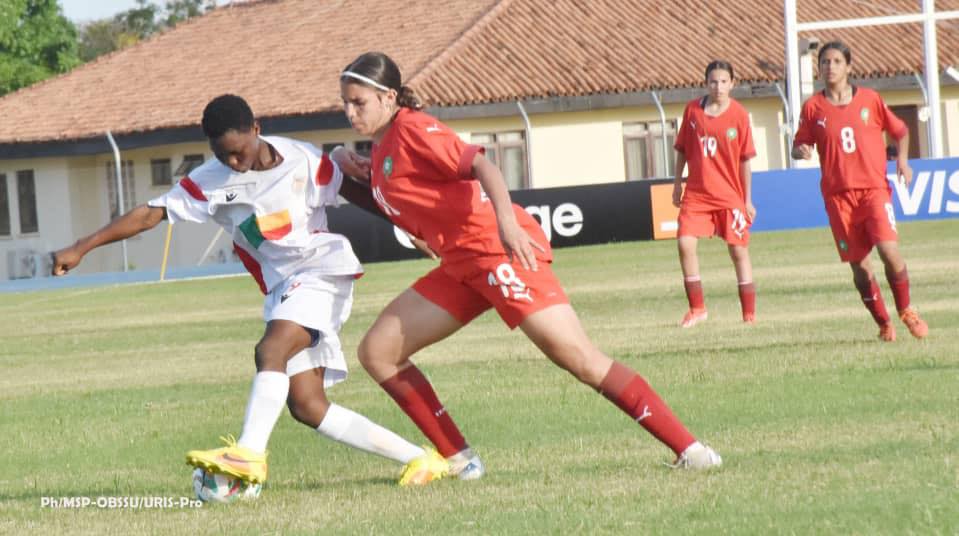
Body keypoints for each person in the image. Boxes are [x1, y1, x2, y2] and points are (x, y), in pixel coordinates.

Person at [334, 52, 723, 486]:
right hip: (462, 265)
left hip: (497, 253)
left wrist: (506, 226)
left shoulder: (413, 129)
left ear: (389, 97)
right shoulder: (384, 144)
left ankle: (692, 450)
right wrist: (352, 174)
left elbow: (482, 164)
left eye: (359, 102)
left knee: (580, 360)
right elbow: (402, 200)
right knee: (379, 352)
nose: (351, 113)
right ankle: (462, 461)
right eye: (346, 103)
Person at [50, 94, 445, 486]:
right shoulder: (210, 181)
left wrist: (410, 225)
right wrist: (82, 246)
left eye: (239, 152)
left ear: (256, 129)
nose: (234, 163)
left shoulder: (303, 160)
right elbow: (151, 214)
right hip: (282, 288)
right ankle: (420, 459)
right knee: (308, 406)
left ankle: (248, 456)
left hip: (322, 272)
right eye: (224, 156)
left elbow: (356, 191)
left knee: (270, 350)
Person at [792, 41, 929, 342]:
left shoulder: (870, 100)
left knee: (888, 250)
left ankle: (906, 311)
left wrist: (903, 162)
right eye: (825, 62)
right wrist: (799, 150)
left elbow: (901, 131)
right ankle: (883, 323)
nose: (830, 67)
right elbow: (799, 144)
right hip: (838, 197)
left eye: (837, 61)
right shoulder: (812, 107)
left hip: (873, 190)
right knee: (860, 266)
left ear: (849, 67)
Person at [671, 60, 758, 328]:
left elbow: (745, 160)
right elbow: (683, 150)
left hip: (729, 195)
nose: (718, 86)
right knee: (685, 243)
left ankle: (749, 315)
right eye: (713, 81)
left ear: (733, 83)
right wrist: (677, 184)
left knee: (738, 251)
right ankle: (697, 309)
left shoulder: (740, 116)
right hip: (697, 194)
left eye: (723, 81)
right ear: (705, 83)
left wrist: (746, 200)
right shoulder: (693, 112)